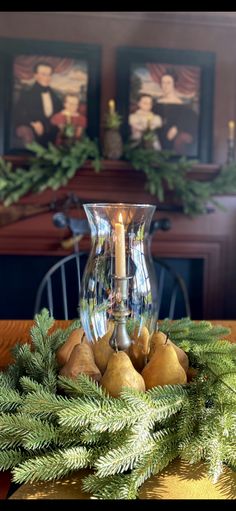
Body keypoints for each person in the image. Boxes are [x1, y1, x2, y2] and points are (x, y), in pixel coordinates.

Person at [14, 62, 62, 147]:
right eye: (44, 74)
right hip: (34, 132)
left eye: (49, 75)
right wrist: (33, 123)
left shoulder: (56, 96)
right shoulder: (26, 94)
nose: (47, 78)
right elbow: (17, 114)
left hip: (53, 132)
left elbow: (60, 113)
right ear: (35, 75)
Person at [154, 68, 199, 156]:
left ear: (174, 84)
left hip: (173, 139)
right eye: (163, 82)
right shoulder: (156, 104)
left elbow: (191, 120)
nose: (165, 86)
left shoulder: (182, 105)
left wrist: (177, 128)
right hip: (157, 136)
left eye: (168, 83)